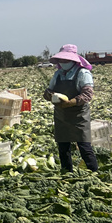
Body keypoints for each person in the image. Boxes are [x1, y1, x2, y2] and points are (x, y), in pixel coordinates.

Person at [43, 44, 98, 172]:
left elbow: (87, 94)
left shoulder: (83, 73)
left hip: (78, 115)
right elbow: (49, 90)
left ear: (73, 60)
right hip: (62, 115)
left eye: (66, 60)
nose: (63, 62)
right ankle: (67, 172)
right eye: (61, 60)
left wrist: (71, 102)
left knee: (84, 146)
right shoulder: (58, 74)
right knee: (63, 146)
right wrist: (49, 95)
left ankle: (94, 173)